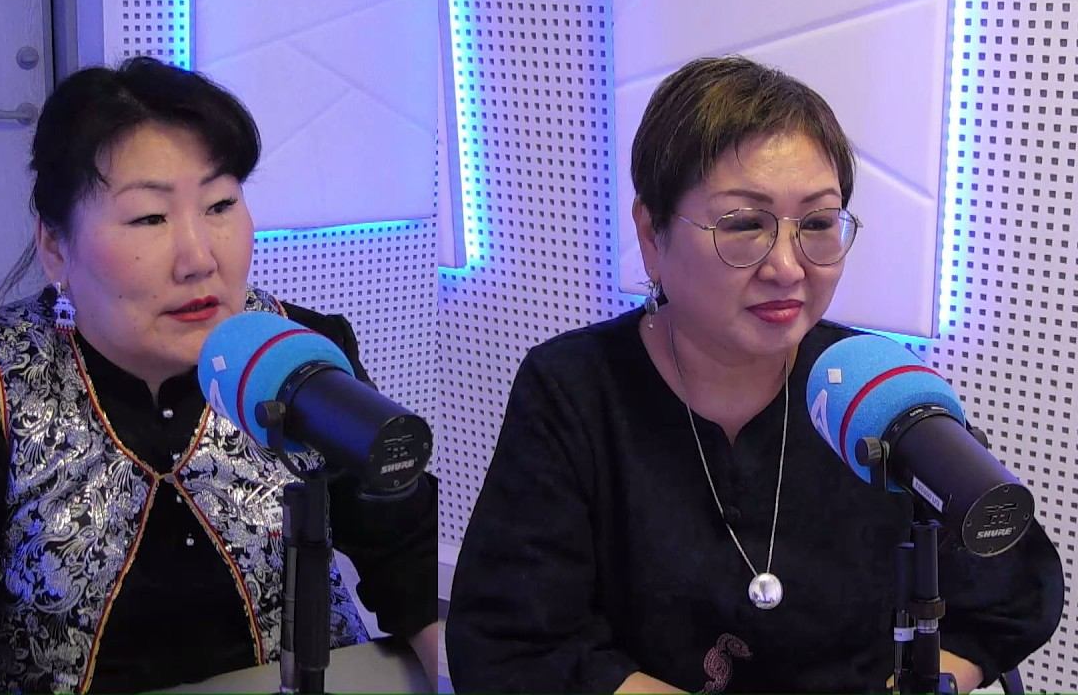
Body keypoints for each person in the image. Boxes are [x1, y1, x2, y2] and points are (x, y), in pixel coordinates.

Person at [0, 56, 439, 693]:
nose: (199, 259)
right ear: (55, 245)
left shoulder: (296, 356)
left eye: (221, 204)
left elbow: (407, 551)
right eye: (149, 218)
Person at [445, 56, 1063, 693]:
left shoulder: (874, 393)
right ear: (651, 234)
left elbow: (1012, 591)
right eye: (743, 225)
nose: (788, 268)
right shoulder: (574, 389)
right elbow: (512, 642)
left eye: (817, 224)